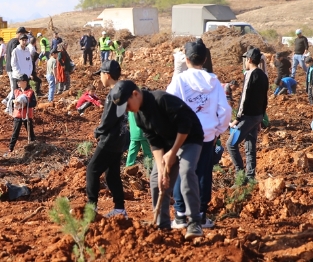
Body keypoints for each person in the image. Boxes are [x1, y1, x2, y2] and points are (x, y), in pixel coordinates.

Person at [110, 80, 205, 239]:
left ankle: (195, 222)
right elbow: (154, 142)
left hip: (189, 138)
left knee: (187, 172)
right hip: (167, 144)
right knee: (156, 180)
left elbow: (185, 125)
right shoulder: (139, 116)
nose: (127, 110)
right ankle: (162, 225)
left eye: (126, 106)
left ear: (135, 94)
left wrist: (173, 152)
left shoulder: (161, 99)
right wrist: (162, 170)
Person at [166, 41, 232, 229]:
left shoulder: (180, 80)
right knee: (203, 174)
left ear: (186, 59)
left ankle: (180, 216)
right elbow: (225, 110)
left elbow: (169, 106)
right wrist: (218, 130)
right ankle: (201, 215)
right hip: (207, 136)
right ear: (204, 59)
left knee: (182, 173)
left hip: (185, 136)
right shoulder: (213, 81)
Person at [86, 60, 129, 218]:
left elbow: (108, 120)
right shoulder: (122, 90)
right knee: (112, 174)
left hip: (110, 138)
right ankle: (120, 209)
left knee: (92, 169)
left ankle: (91, 207)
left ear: (107, 75)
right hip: (120, 137)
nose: (100, 79)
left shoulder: (113, 94)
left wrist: (98, 131)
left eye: (101, 75)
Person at [227, 48, 269, 182]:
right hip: (257, 116)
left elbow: (244, 98)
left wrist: (237, 119)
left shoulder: (249, 74)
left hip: (248, 117)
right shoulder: (263, 75)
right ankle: (250, 176)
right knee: (250, 146)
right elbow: (265, 99)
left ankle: (240, 175)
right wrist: (260, 119)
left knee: (230, 144)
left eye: (246, 59)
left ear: (249, 60)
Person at [7, 74, 37, 154]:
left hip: (27, 115)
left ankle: (33, 148)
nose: (18, 83)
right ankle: (10, 148)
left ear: (25, 82)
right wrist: (14, 102)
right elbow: (11, 100)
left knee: (30, 133)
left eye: (19, 81)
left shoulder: (30, 92)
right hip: (18, 115)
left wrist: (25, 104)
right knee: (15, 133)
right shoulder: (16, 91)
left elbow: (34, 103)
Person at [5, 27, 27, 94]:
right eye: (23, 35)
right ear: (20, 34)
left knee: (14, 88)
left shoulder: (10, 41)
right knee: (15, 88)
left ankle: (7, 101)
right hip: (13, 68)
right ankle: (9, 102)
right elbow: (15, 55)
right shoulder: (15, 42)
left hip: (10, 67)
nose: (24, 38)